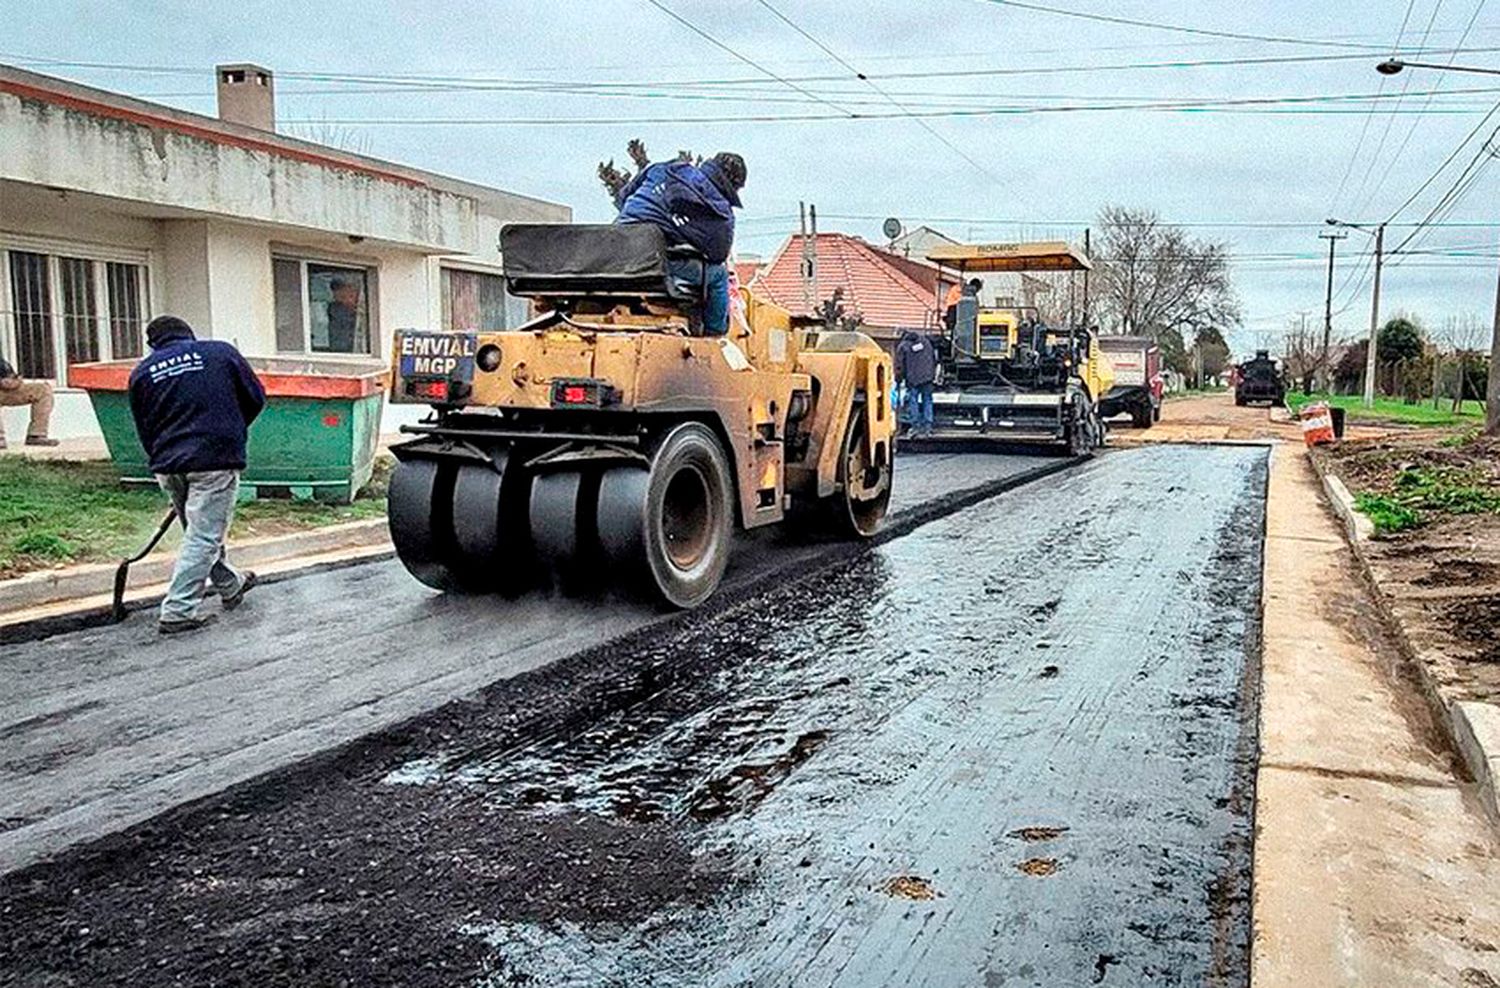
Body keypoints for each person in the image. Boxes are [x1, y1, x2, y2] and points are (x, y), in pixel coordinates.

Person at [128, 315, 266, 634]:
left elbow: (143, 427)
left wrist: (165, 459)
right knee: (204, 536)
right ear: (189, 335)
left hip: (168, 462)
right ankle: (178, 609)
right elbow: (255, 397)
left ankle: (230, 585)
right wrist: (229, 430)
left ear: (153, 344)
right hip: (214, 458)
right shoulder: (219, 353)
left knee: (199, 533)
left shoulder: (141, 373)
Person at [615, 152, 747, 336]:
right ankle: (714, 336)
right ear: (733, 187)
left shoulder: (664, 168)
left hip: (616, 252)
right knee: (718, 275)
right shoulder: (721, 212)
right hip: (658, 264)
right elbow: (718, 255)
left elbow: (623, 197)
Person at [0, 355, 58, 449]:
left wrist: (14, 380)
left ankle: (37, 435)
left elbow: (8, 373)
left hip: (5, 390)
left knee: (42, 390)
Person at [896, 330, 938, 437]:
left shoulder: (903, 346)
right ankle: (928, 426)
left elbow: (899, 366)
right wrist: (932, 375)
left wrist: (898, 379)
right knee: (927, 400)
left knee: (913, 400)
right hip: (928, 378)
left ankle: (915, 426)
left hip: (913, 379)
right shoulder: (926, 342)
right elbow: (934, 359)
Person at [325, 278, 361, 353]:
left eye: (350, 296)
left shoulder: (363, 313)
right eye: (341, 298)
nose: (346, 302)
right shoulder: (337, 312)